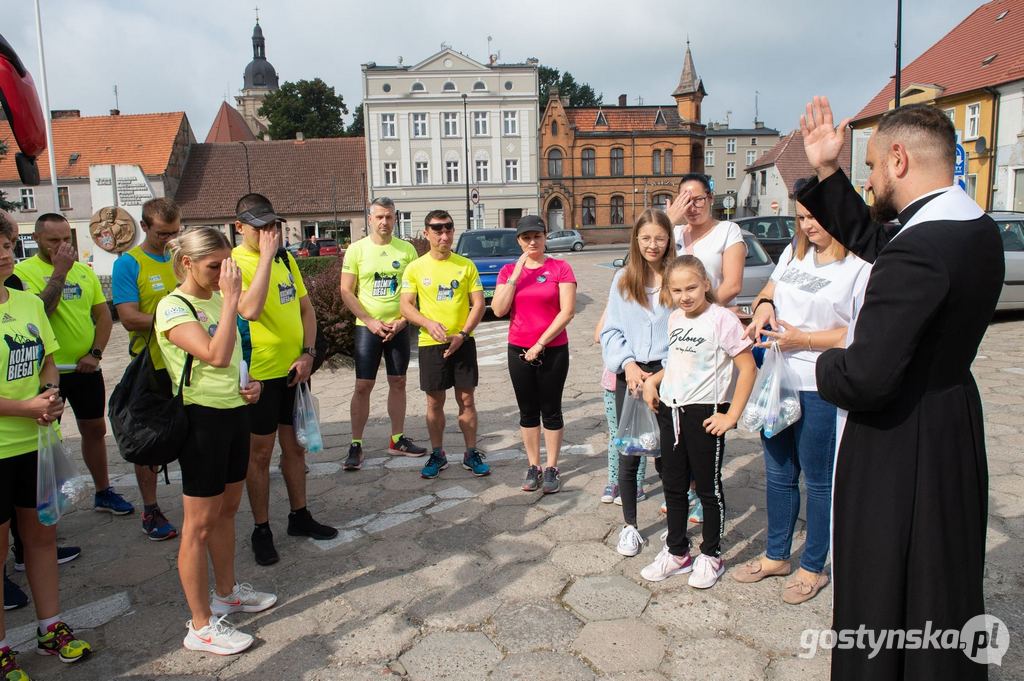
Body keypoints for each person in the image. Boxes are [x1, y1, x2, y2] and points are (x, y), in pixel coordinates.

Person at [798, 97, 1003, 680]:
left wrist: (813, 364)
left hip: (900, 439)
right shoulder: (973, 227)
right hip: (949, 419)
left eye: (868, 169)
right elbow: (881, 242)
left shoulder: (920, 250)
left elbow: (866, 376)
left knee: (886, 581)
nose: (868, 181)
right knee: (941, 575)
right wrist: (828, 175)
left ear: (898, 159)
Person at [732, 181, 870, 604]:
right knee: (777, 473)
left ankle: (813, 565)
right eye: (803, 217)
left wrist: (804, 341)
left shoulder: (860, 266)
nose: (809, 225)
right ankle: (777, 555)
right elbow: (768, 292)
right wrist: (763, 310)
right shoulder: (795, 253)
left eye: (817, 217)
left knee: (819, 479)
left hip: (822, 386)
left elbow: (859, 332)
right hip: (778, 379)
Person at [156, 227, 275, 655]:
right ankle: (201, 625)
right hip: (200, 421)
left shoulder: (213, 300)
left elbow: (235, 362)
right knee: (198, 525)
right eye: (215, 266)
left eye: (227, 264)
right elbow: (216, 354)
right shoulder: (174, 307)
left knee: (227, 511)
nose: (224, 273)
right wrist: (228, 301)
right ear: (187, 263)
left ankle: (227, 592)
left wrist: (252, 385)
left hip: (233, 413)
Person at [1, 217, 93, 677]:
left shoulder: (26, 303)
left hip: (34, 443)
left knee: (41, 537)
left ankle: (50, 628)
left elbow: (49, 361)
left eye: (6, 243)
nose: (2, 253)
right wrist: (24, 407)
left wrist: (52, 396)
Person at [233, 193, 337, 567]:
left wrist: (309, 353)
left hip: (293, 372)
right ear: (239, 227)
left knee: (296, 447)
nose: (268, 233)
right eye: (259, 226)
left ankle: (299, 515)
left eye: (272, 226)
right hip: (258, 375)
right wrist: (263, 257)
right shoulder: (234, 263)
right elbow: (249, 309)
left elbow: (306, 309)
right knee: (259, 454)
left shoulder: (287, 259)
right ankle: (261, 528)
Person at [640, 255, 755, 588]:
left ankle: (711, 554)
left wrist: (731, 415)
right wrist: (653, 381)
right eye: (676, 290)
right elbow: (676, 363)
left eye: (691, 287)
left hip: (706, 415)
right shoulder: (675, 318)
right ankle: (677, 552)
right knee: (673, 487)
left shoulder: (722, 320)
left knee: (708, 489)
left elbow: (747, 368)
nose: (685, 296)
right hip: (671, 411)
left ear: (706, 283)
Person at [15, 214, 133, 516]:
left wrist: (95, 353)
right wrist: (60, 272)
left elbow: (104, 316)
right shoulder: (21, 273)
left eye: (66, 239)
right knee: (47, 439)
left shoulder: (83, 271)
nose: (62, 246)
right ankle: (46, 504)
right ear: (37, 238)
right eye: (54, 240)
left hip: (85, 369)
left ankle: (103, 490)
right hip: (45, 371)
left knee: (94, 428)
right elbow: (42, 311)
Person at [665, 173, 746, 522]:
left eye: (697, 198)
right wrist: (669, 221)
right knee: (676, 419)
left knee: (704, 417)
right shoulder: (675, 234)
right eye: (684, 199)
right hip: (677, 333)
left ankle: (703, 493)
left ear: (711, 199)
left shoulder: (728, 232)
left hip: (711, 331)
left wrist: (699, 309)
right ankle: (682, 488)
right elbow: (645, 260)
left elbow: (733, 283)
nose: (691, 206)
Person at [600, 209, 675, 557]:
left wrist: (659, 376)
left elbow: (688, 332)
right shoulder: (623, 280)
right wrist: (628, 365)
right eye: (645, 238)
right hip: (629, 377)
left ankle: (675, 527)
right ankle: (630, 526)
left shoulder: (677, 278)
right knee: (630, 453)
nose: (652, 245)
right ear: (636, 240)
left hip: (668, 375)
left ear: (669, 239)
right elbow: (611, 330)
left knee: (668, 455)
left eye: (659, 237)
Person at [111, 197, 182, 541]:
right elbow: (127, 318)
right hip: (151, 365)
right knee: (147, 440)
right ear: (144, 227)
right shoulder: (130, 264)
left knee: (193, 430)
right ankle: (150, 508)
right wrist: (175, 323)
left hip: (189, 362)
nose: (170, 240)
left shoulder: (181, 257)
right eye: (163, 234)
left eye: (175, 232)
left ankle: (198, 496)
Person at [399, 210, 489, 479]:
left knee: (467, 400)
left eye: (448, 229)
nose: (444, 235)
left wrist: (462, 333)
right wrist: (427, 323)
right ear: (426, 232)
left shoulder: (466, 265)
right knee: (434, 402)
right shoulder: (415, 267)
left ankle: (471, 453)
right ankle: (438, 454)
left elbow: (479, 304)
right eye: (437, 229)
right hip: (430, 344)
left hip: (463, 341)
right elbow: (405, 306)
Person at [491, 215, 576, 493]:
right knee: (527, 411)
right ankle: (533, 465)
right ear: (519, 240)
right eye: (526, 237)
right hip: (518, 349)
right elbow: (500, 309)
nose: (532, 242)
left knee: (551, 410)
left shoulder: (560, 268)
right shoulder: (507, 272)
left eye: (537, 236)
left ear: (545, 237)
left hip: (551, 349)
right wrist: (516, 276)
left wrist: (540, 343)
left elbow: (567, 311)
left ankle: (551, 466)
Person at [339, 197, 425, 470]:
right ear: (370, 219)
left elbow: (416, 293)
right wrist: (369, 320)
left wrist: (402, 321)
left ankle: (397, 439)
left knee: (398, 382)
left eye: (389, 217)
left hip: (398, 327)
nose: (384, 222)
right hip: (368, 327)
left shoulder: (407, 250)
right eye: (379, 217)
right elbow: (345, 291)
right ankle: (356, 443)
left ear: (395, 218)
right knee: (363, 385)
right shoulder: (356, 250)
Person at [595, 310, 647, 504]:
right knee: (615, 434)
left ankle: (637, 485)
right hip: (612, 384)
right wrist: (611, 305)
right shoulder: (615, 308)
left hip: (636, 382)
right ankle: (613, 481)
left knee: (638, 436)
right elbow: (597, 335)